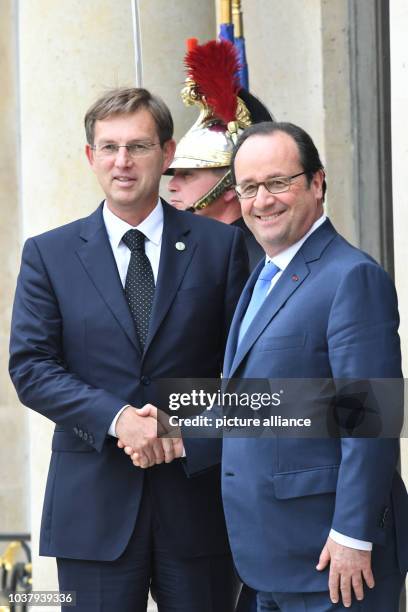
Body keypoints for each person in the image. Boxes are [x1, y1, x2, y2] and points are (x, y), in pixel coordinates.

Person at [128, 121, 408, 611]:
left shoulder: (352, 277)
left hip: (333, 561)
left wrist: (353, 535)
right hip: (269, 559)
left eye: (278, 183)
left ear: (317, 183)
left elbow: (371, 417)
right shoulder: (264, 275)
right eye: (250, 188)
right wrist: (173, 431)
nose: (263, 201)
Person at [8, 87, 249, 612]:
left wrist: (186, 431)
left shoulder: (222, 247)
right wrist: (120, 418)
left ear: (166, 155)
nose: (123, 162)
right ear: (91, 156)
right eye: (109, 147)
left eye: (138, 146)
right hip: (92, 509)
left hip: (197, 503)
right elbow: (31, 367)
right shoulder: (48, 254)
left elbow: (244, 370)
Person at [167, 38, 274, 271]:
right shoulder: (191, 250)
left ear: (230, 184)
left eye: (187, 175)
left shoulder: (257, 261)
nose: (171, 185)